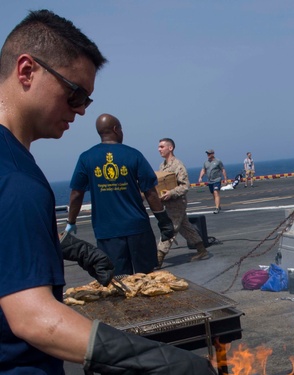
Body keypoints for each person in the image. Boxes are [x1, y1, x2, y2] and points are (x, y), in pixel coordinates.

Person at [0, 9, 210, 374]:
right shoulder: (17, 178)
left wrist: (69, 246)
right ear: (26, 71)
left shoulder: (18, 164)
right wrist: (161, 360)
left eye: (87, 101)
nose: (80, 111)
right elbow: (33, 319)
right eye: (74, 94)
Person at [67, 114, 175, 275]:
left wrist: (71, 221)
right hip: (137, 228)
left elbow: (76, 194)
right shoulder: (133, 155)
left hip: (107, 231)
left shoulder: (86, 158)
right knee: (147, 278)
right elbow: (150, 192)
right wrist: (163, 221)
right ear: (116, 129)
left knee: (118, 280)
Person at [156, 138, 209, 268]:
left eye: (162, 146)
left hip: (177, 203)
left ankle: (158, 259)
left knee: (169, 229)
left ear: (170, 148)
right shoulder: (162, 166)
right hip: (168, 203)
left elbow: (185, 186)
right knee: (186, 227)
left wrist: (171, 193)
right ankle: (202, 250)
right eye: (159, 147)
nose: (159, 149)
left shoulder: (178, 165)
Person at [199, 149, 228, 214]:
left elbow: (223, 170)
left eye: (209, 154)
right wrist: (200, 177)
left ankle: (217, 208)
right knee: (213, 194)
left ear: (213, 154)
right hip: (210, 181)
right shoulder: (206, 162)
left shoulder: (218, 161)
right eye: (207, 154)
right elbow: (203, 170)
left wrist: (225, 179)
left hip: (217, 180)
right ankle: (218, 205)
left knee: (216, 192)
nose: (208, 155)